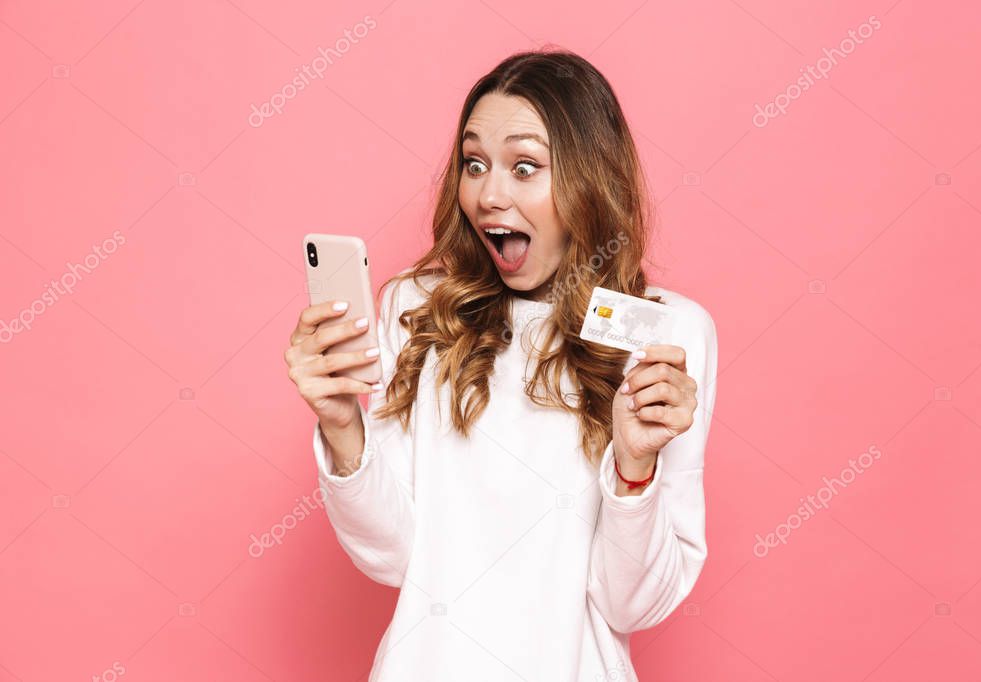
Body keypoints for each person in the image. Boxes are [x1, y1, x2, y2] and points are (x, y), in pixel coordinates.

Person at [285, 48, 717, 682]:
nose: (489, 195)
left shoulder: (663, 332)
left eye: (525, 167)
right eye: (475, 164)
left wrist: (634, 468)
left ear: (588, 179)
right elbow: (396, 554)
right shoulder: (420, 309)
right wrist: (341, 425)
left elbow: (633, 603)